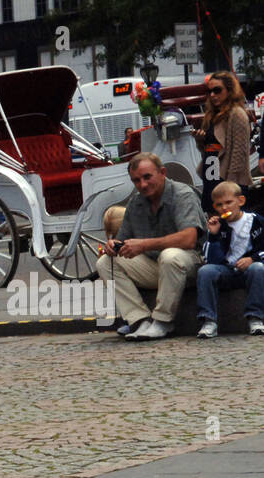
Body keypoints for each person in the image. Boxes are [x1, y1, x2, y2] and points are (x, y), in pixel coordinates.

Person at [96, 153, 205, 340]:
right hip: (156, 266)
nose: (142, 185)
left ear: (162, 172)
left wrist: (144, 245)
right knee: (106, 263)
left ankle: (163, 322)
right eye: (136, 180)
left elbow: (189, 239)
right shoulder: (135, 203)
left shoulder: (182, 194)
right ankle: (139, 320)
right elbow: (123, 241)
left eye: (147, 177)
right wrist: (113, 245)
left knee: (170, 256)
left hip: (190, 264)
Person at [195, 181, 264, 338]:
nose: (224, 208)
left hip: (250, 269)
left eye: (228, 202)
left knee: (259, 268)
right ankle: (208, 320)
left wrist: (252, 259)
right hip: (227, 270)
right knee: (205, 271)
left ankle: (256, 317)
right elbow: (210, 259)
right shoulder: (218, 226)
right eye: (219, 205)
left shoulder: (256, 221)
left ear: (241, 201)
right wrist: (213, 236)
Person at [194, 72, 252, 216]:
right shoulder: (211, 115)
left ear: (229, 90)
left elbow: (239, 154)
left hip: (228, 179)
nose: (213, 95)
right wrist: (200, 140)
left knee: (230, 223)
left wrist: (230, 188)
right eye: (209, 91)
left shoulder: (237, 114)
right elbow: (208, 151)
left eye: (217, 90)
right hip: (211, 173)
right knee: (213, 221)